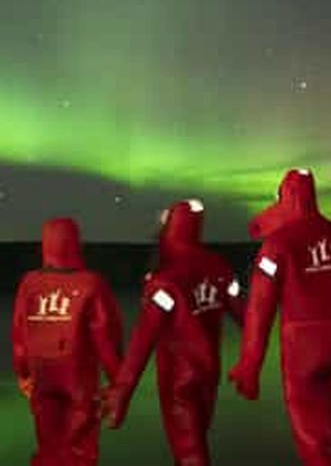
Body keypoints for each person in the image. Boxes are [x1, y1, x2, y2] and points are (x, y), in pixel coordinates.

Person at [228, 168, 331, 466]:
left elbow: (260, 309)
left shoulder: (277, 246)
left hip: (303, 354)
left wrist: (250, 364)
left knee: (315, 445)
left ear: (285, 198)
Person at [101, 198, 246, 466]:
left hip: (179, 378)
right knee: (194, 442)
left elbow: (143, 339)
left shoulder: (164, 281)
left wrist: (121, 393)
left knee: (190, 453)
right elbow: (246, 317)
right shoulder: (219, 268)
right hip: (209, 372)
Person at [12, 216, 123, 466]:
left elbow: (19, 332)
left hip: (41, 377)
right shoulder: (91, 283)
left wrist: (22, 373)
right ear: (76, 244)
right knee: (79, 449)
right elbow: (106, 336)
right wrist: (119, 381)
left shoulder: (30, 283)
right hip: (79, 380)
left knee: (48, 446)